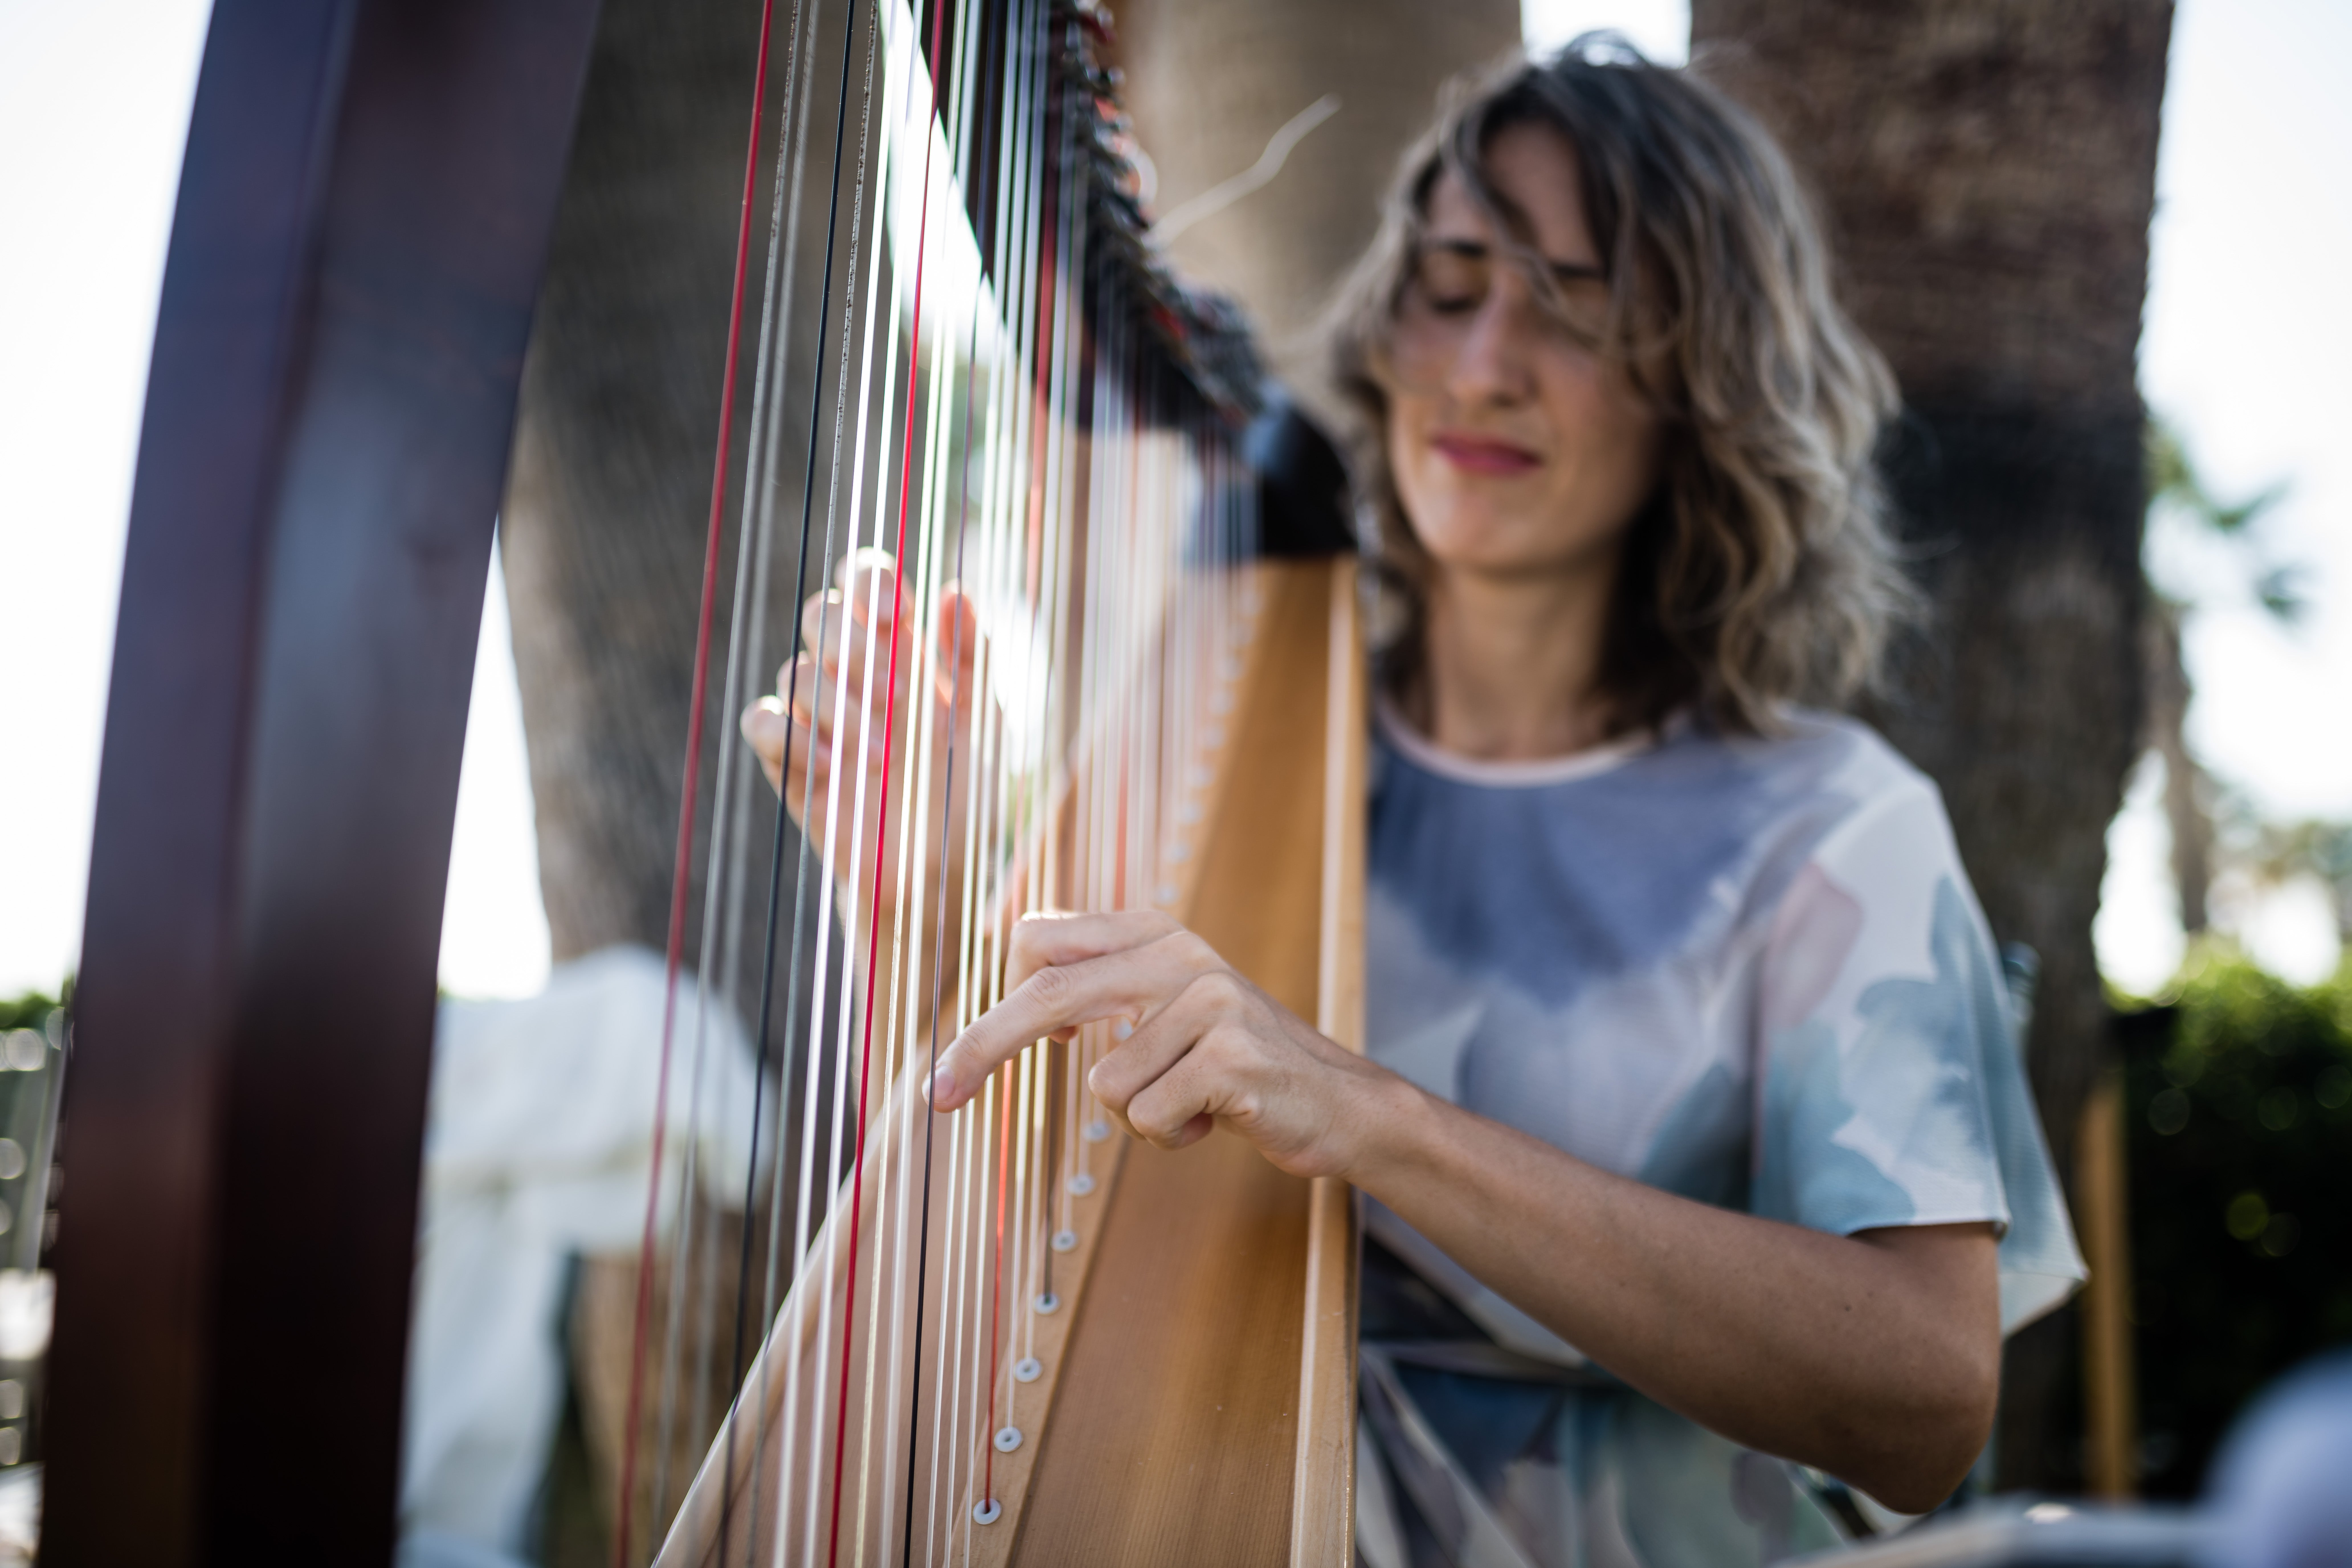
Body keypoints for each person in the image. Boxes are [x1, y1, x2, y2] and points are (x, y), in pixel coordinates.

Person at [744, 36, 2084, 1568]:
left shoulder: (1832, 825)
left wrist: (1374, 1118)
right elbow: (1034, 1229)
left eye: (1576, 306)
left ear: (1706, 388)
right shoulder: (1243, 736)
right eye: (1453, 283)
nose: (1486, 359)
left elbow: (1924, 1398)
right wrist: (917, 906)